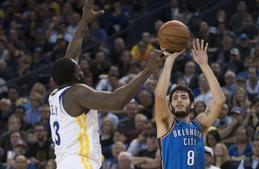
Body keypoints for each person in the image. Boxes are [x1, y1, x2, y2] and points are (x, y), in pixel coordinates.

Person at [48, 1, 163, 169]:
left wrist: (83, 22)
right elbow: (117, 102)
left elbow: (71, 57)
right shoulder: (77, 92)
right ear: (76, 75)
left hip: (67, 162)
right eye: (80, 69)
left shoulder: (55, 95)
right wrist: (147, 71)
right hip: (79, 163)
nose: (83, 71)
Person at [155, 39, 225, 169]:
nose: (179, 100)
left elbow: (219, 100)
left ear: (192, 104)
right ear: (170, 105)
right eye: (175, 98)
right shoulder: (166, 124)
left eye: (183, 97)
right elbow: (159, 96)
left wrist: (204, 65)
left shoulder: (200, 124)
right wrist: (169, 60)